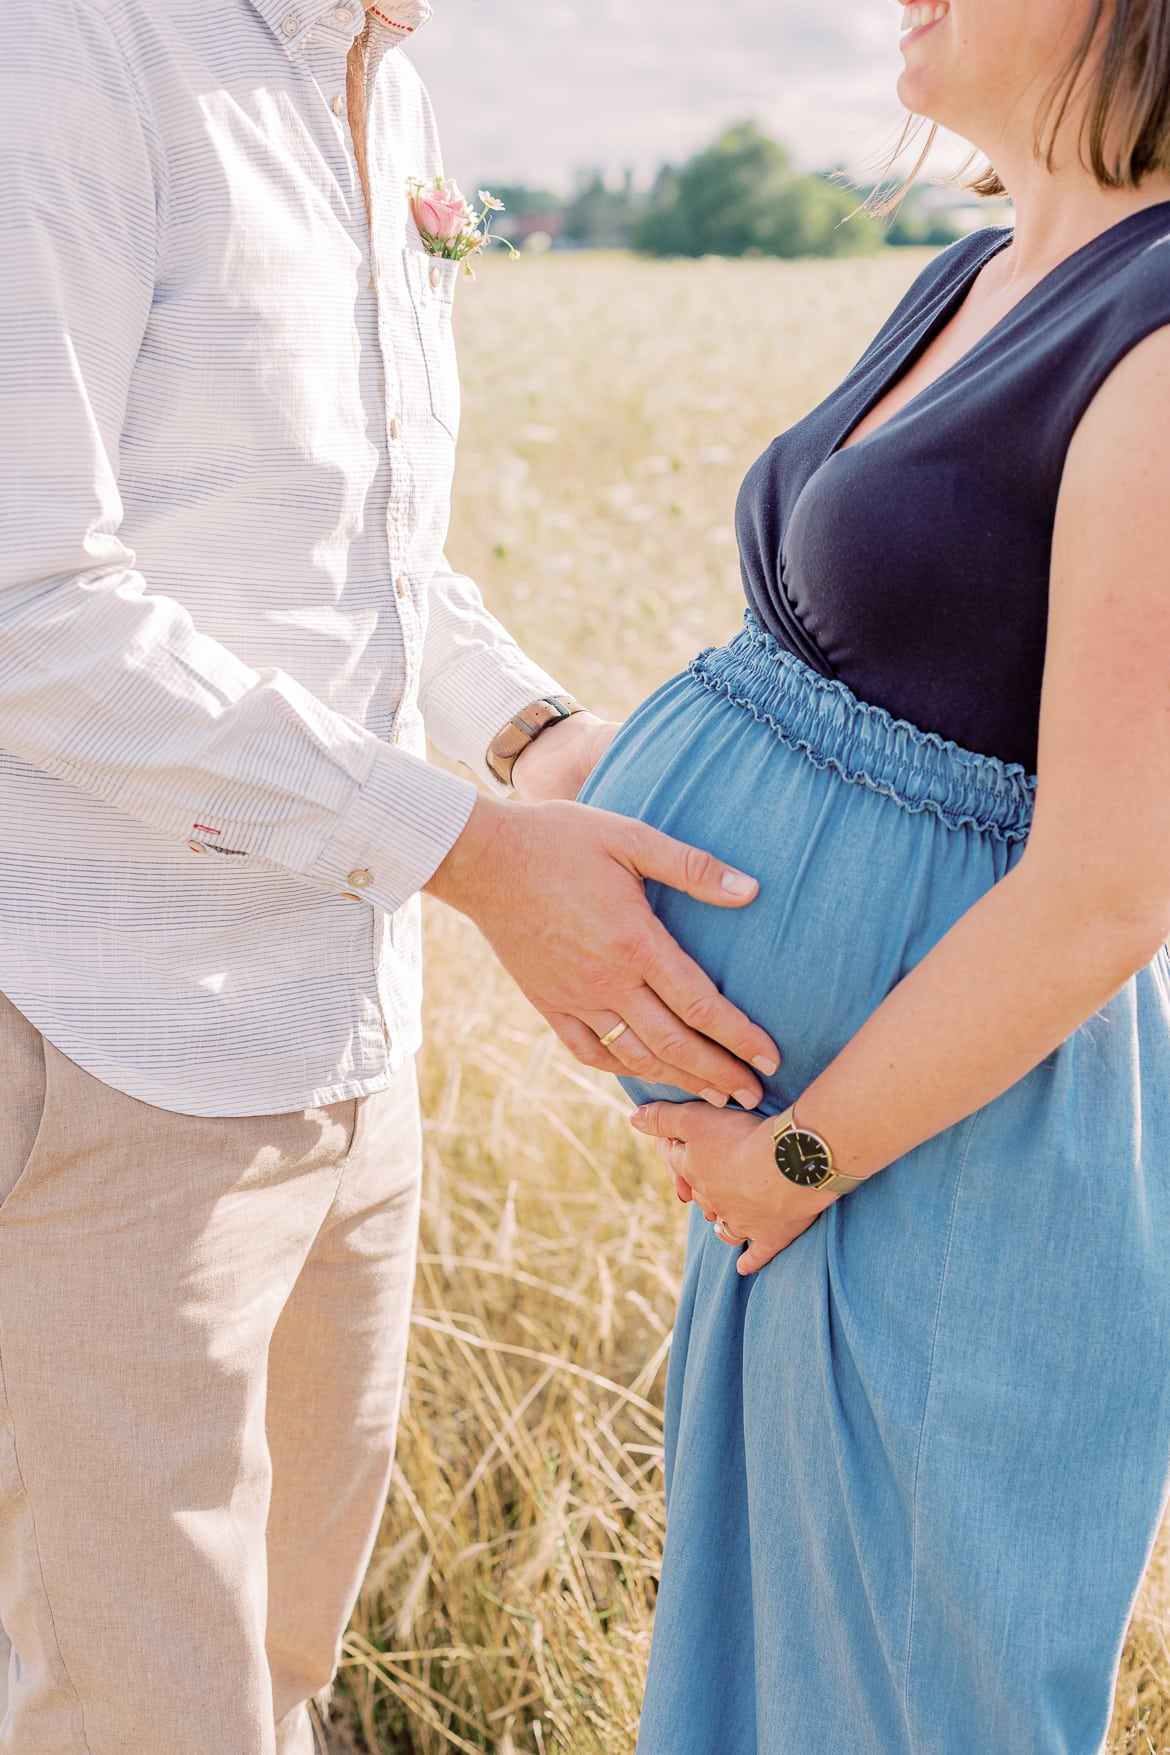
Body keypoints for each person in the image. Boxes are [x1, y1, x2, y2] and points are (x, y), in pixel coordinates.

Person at [0, 2, 783, 1750]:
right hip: (103, 1045)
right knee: (136, 1706)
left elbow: (361, 555)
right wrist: (475, 855)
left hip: (347, 1032)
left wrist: (532, 737)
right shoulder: (65, 57)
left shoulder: (390, 87)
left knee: (278, 1670)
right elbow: (28, 604)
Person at [577, 1, 1170, 1749]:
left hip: (943, 1161)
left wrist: (798, 1156)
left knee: (912, 1700)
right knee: (778, 1693)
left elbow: (1112, 884)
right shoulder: (970, 276)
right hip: (830, 1157)